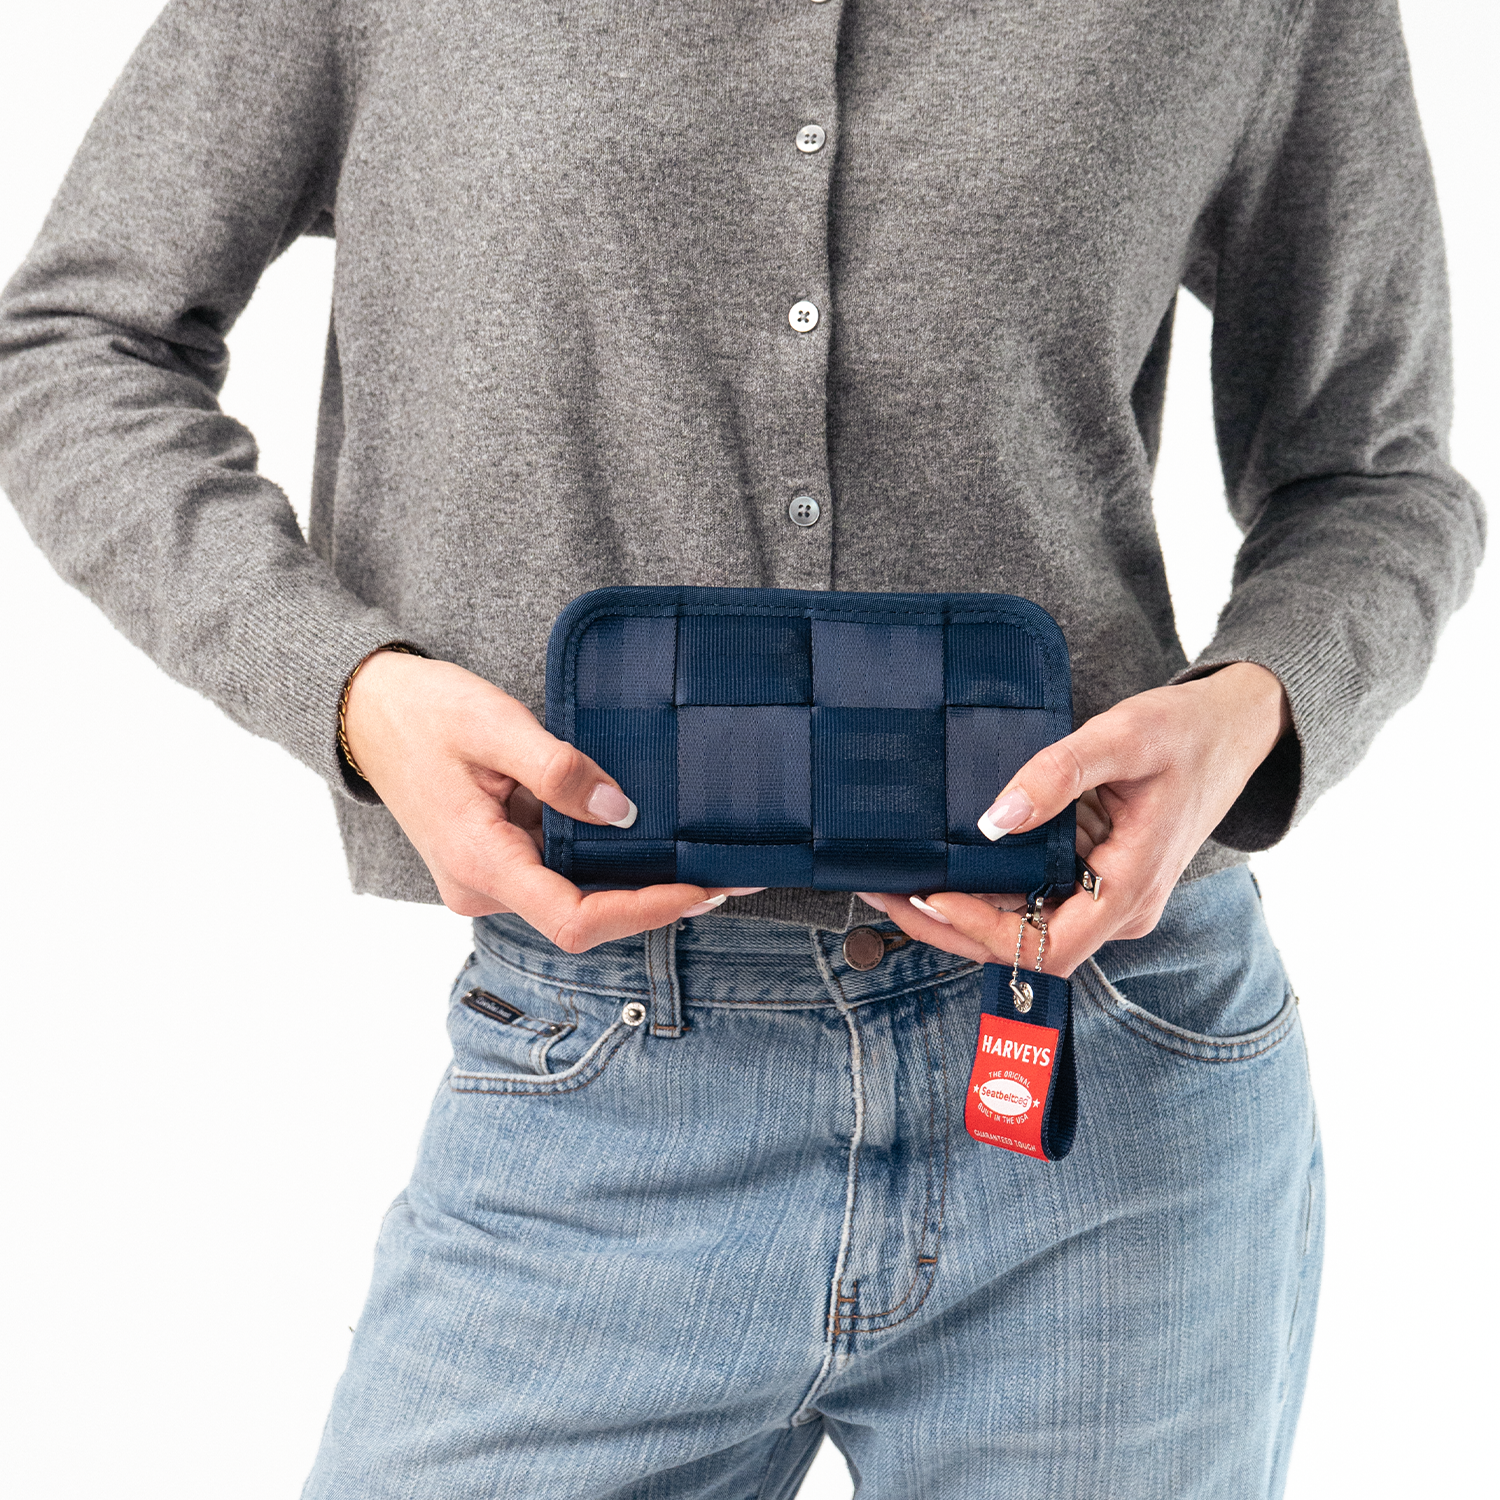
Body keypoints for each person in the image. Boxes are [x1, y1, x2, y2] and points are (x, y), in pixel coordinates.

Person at [0, 0, 1481, 1494]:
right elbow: (73, 348)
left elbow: (1378, 476)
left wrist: (1258, 707)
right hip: (593, 1068)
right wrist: (348, 688)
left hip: (1109, 1075)